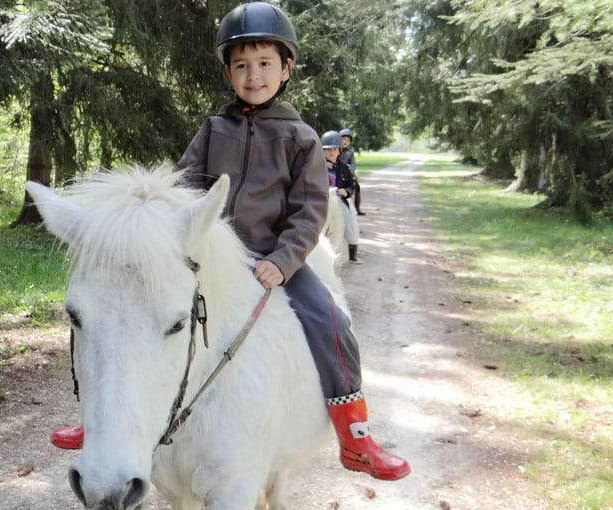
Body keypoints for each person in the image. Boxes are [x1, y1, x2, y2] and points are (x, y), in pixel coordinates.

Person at [50, 2, 410, 482]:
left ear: (286, 68)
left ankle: (355, 433)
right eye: (241, 65)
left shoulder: (300, 137)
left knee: (330, 320)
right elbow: (180, 188)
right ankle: (103, 422)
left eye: (264, 64)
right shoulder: (213, 130)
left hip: (272, 259)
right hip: (211, 256)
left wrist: (284, 261)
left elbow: (309, 211)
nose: (253, 75)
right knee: (122, 315)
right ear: (228, 72)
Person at [322, 130, 361, 264]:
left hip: (338, 199)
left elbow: (351, 185)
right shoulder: (316, 166)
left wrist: (346, 191)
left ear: (340, 150)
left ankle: (352, 251)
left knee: (350, 221)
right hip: (320, 199)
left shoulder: (344, 168)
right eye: (327, 150)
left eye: (334, 149)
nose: (331, 152)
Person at [339, 127, 364, 215]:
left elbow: (353, 164)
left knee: (356, 185)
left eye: (347, 140)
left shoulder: (350, 151)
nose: (345, 142)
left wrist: (352, 172)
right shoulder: (336, 149)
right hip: (338, 173)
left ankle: (357, 208)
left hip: (347, 174)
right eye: (343, 139)